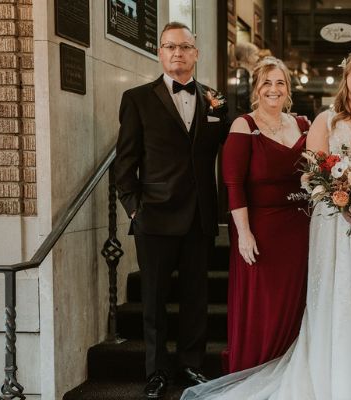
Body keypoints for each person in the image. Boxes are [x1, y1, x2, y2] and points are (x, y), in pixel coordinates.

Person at [181, 46, 351, 400]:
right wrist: (346, 197)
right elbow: (311, 177)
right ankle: (343, 380)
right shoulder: (325, 121)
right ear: (346, 77)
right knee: (344, 298)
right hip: (338, 227)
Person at [113, 22, 230, 399]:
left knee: (196, 297)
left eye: (184, 47)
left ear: (196, 53)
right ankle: (157, 371)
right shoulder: (137, 98)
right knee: (153, 301)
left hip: (199, 216)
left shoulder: (217, 100)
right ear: (159, 53)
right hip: (155, 216)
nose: (177, 53)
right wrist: (134, 210)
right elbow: (124, 163)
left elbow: (228, 155)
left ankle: (191, 364)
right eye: (169, 46)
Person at [221, 57, 310, 374]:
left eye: (280, 83)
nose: (274, 89)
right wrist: (243, 233)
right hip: (261, 229)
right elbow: (233, 185)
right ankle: (258, 369)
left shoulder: (303, 125)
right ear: (256, 89)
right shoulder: (244, 125)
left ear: (288, 89)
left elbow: (317, 172)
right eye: (267, 83)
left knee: (296, 303)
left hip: (300, 228)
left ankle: (291, 372)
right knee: (264, 304)